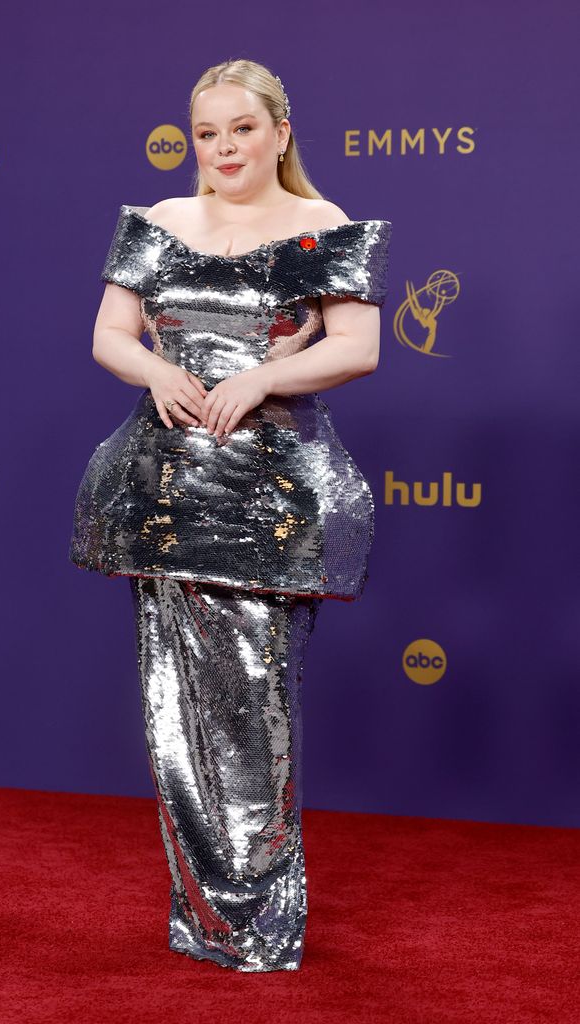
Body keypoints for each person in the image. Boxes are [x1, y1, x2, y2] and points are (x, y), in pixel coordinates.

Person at [69, 58, 391, 972]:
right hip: (163, 489)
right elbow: (108, 334)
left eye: (240, 130)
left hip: (271, 492)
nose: (222, 149)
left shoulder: (319, 225)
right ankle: (208, 920)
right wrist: (156, 369)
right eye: (206, 133)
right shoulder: (157, 222)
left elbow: (358, 348)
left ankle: (259, 918)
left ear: (279, 133)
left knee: (255, 709)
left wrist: (260, 376)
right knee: (174, 714)